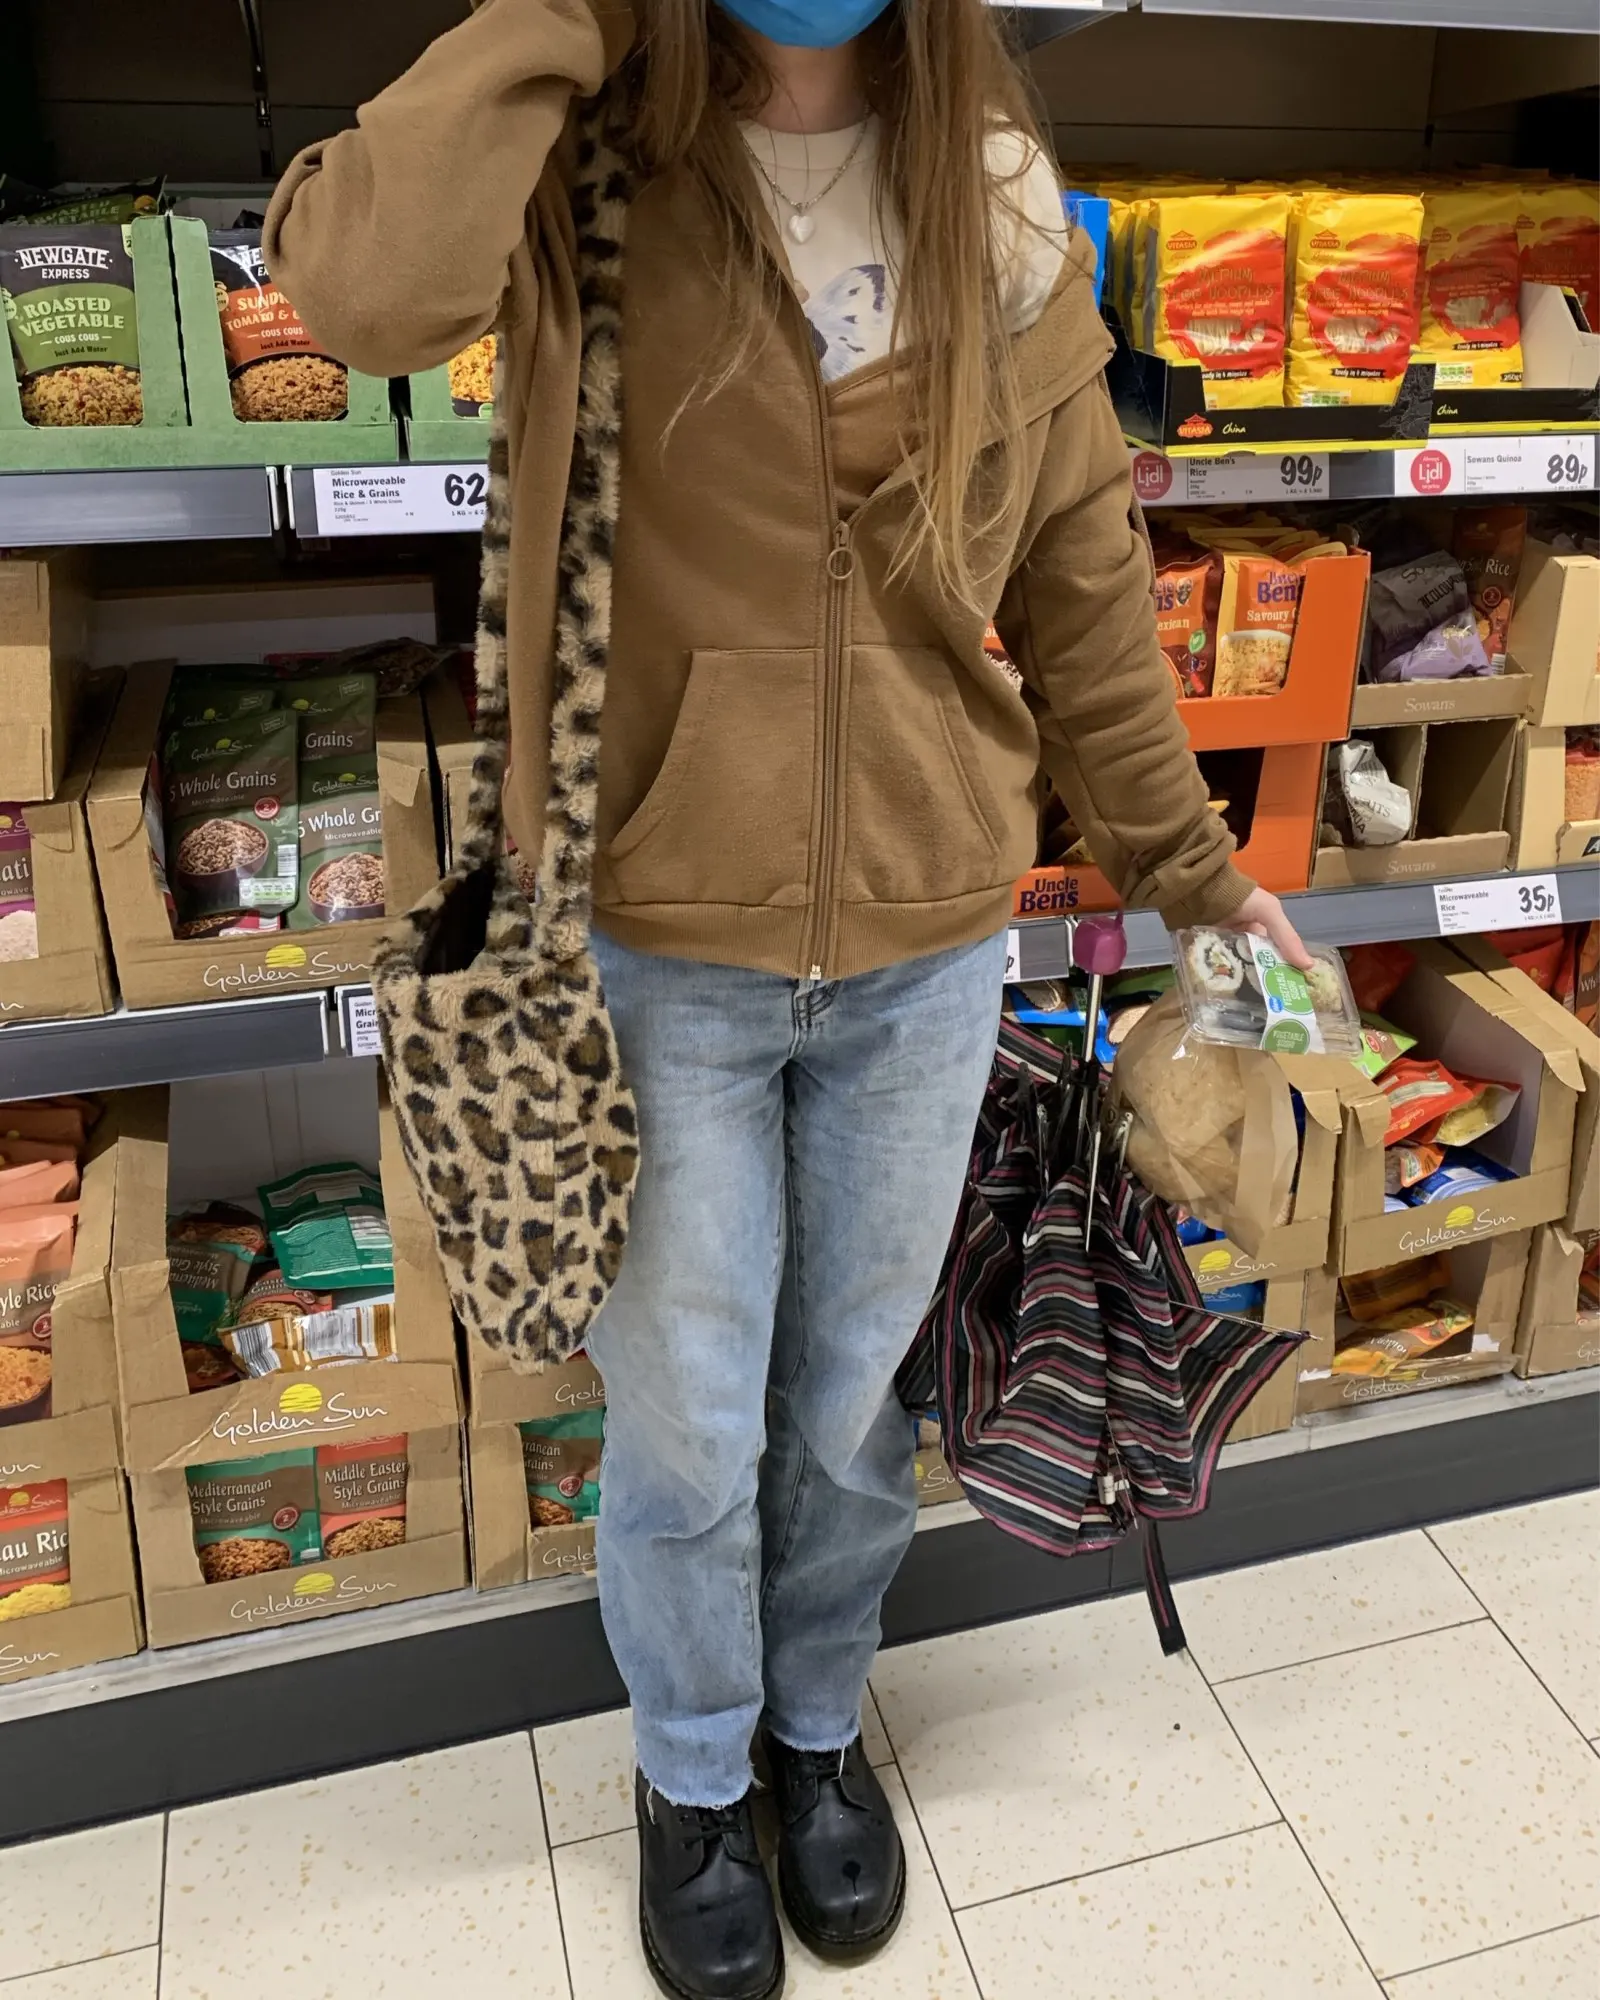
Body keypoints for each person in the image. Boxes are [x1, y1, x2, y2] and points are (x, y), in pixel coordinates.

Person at [267, 2, 1310, 1993]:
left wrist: (1196, 875)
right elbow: (360, 291)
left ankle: (817, 1731)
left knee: (841, 1408)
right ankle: (688, 1771)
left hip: (927, 949)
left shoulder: (997, 192)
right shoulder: (585, 159)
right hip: (657, 944)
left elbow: (1084, 589)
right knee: (681, 1425)